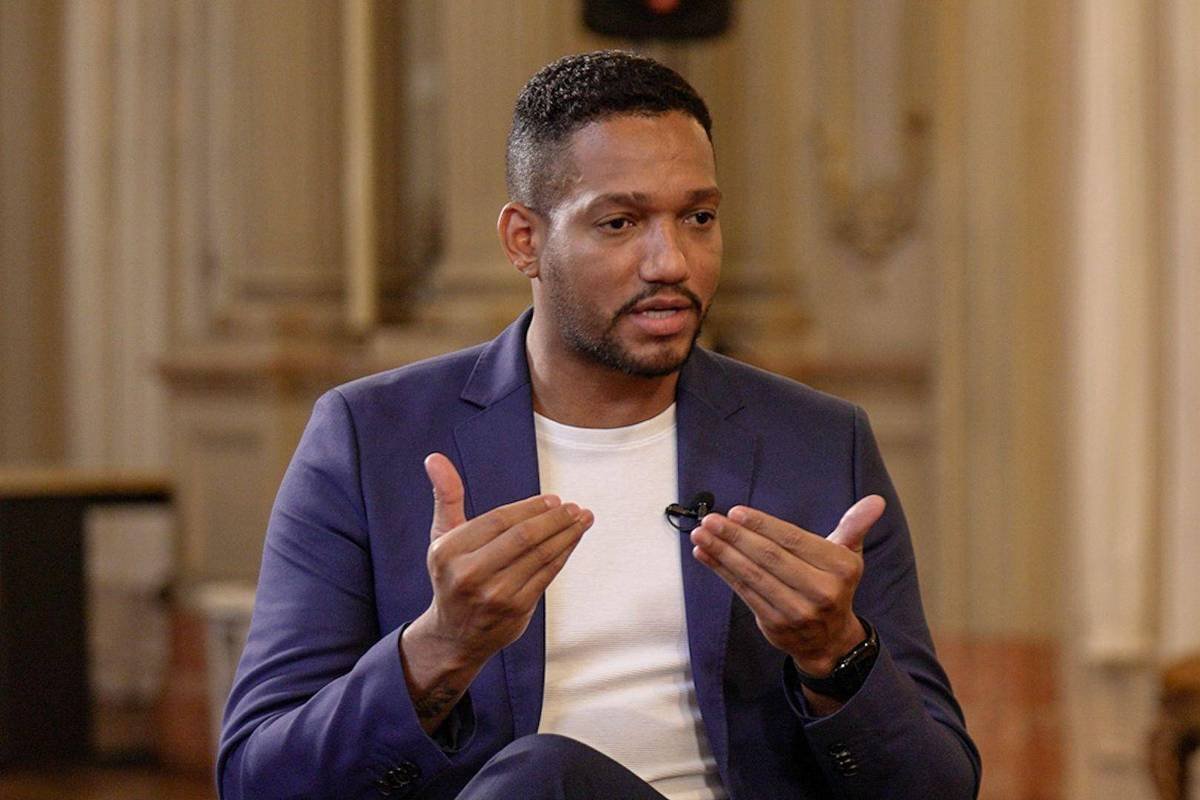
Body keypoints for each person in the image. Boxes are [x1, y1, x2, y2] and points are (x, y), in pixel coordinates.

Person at [218, 51, 980, 800]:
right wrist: (441, 649)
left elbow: (939, 785)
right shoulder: (369, 438)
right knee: (543, 778)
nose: (671, 261)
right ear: (525, 241)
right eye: (619, 222)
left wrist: (835, 655)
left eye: (699, 218)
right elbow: (258, 779)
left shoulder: (816, 443)